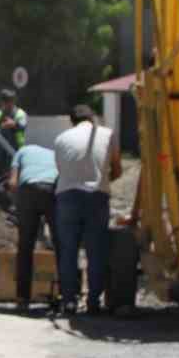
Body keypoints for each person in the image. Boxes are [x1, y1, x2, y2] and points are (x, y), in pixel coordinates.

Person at [53, 104, 122, 316]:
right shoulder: (107, 134)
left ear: (71, 121)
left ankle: (70, 301)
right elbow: (117, 169)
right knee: (95, 251)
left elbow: (61, 170)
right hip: (96, 198)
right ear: (93, 119)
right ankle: (93, 302)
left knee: (68, 251)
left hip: (66, 198)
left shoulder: (61, 139)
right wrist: (100, 182)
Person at [6, 142, 58, 311]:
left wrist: (16, 204)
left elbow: (13, 182)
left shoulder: (21, 151)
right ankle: (63, 295)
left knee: (26, 246)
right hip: (52, 189)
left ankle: (22, 298)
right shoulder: (54, 154)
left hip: (28, 190)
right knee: (61, 244)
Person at [0, 89, 28, 158]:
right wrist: (1, 127)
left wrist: (14, 124)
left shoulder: (20, 114)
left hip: (15, 151)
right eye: (5, 101)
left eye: (10, 101)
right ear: (2, 102)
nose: (8, 104)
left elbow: (22, 127)